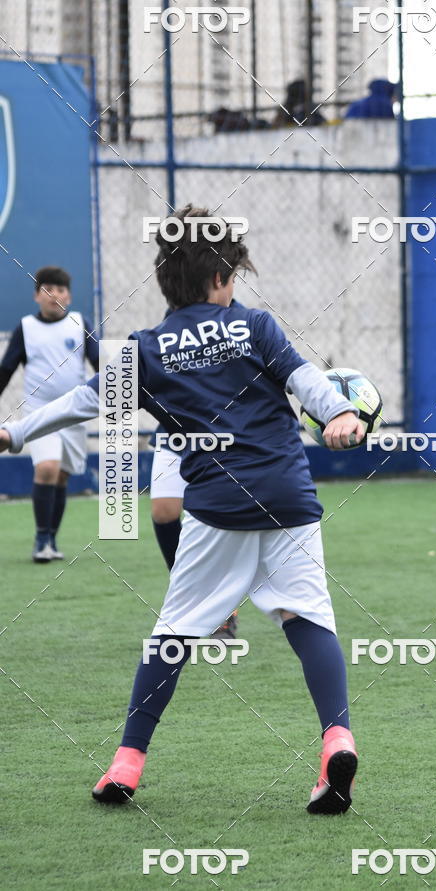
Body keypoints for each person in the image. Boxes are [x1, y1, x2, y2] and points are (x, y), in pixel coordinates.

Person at [0, 206, 362, 815]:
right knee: (309, 619)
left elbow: (82, 402)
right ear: (223, 279)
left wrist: (12, 432)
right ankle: (337, 740)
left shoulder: (147, 349)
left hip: (218, 508)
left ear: (167, 281)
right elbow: (308, 385)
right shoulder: (258, 328)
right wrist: (340, 416)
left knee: (172, 634)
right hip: (290, 502)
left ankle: (126, 763)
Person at [0, 266, 98, 562]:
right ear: (36, 296)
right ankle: (41, 540)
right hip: (38, 412)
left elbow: (101, 364)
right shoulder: (26, 328)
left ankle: (51, 539)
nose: (54, 295)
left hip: (73, 415)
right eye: (48, 289)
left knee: (62, 477)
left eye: (61, 290)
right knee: (47, 468)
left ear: (68, 296)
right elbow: (5, 370)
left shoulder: (80, 323)